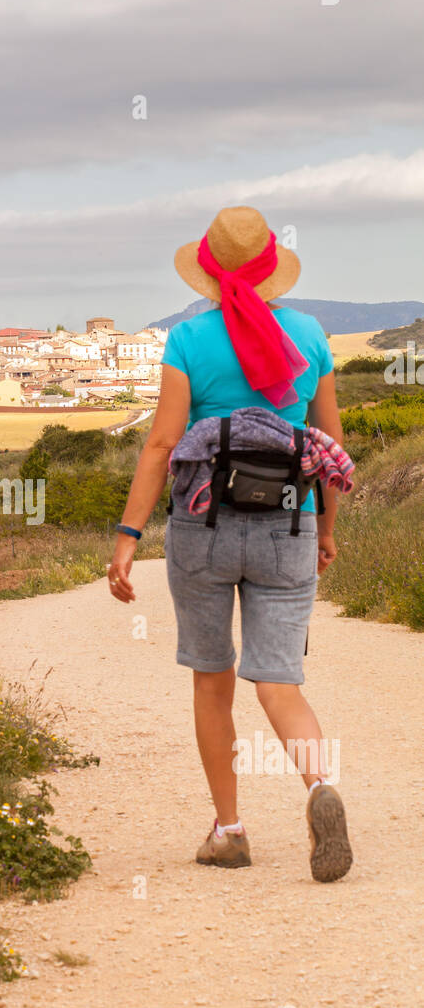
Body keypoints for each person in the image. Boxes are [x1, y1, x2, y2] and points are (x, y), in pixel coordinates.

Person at [107, 206, 353, 882]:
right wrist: (325, 528)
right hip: (287, 524)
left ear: (210, 273)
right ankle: (318, 789)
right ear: (272, 267)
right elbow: (329, 449)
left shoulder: (188, 339)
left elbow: (161, 443)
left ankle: (230, 829)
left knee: (213, 682)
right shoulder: (311, 335)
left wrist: (129, 537)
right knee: (278, 681)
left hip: (202, 527)